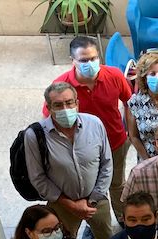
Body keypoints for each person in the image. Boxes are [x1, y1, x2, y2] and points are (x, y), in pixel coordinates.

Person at [43, 36, 133, 224]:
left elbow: (129, 102)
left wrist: (130, 132)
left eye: (93, 58)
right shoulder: (61, 86)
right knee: (89, 189)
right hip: (82, 150)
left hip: (115, 142)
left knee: (117, 184)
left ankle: (124, 220)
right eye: (84, 60)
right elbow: (48, 118)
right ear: (73, 61)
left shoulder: (114, 76)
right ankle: (95, 224)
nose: (90, 64)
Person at [26, 82, 113, 239]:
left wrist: (93, 200)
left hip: (97, 200)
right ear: (49, 108)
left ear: (77, 103)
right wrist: (71, 205)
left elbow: (106, 163)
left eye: (69, 102)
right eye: (58, 105)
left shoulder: (95, 124)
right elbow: (38, 177)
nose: (65, 109)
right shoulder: (35, 135)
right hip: (62, 205)